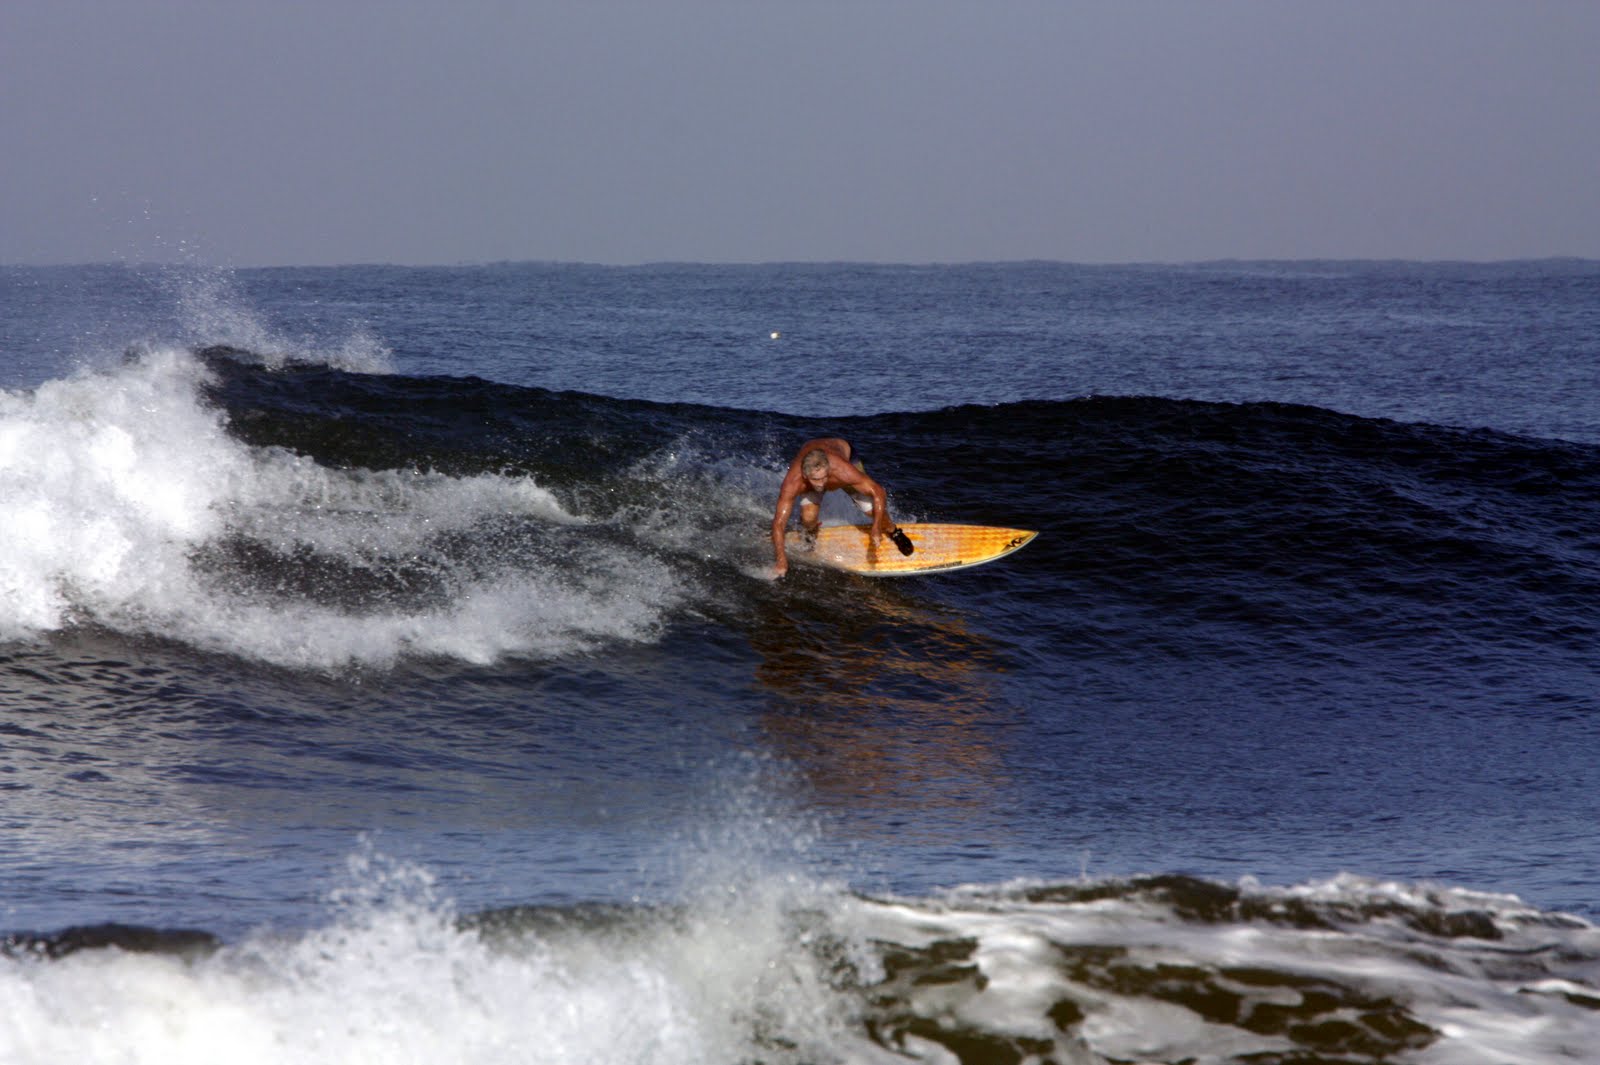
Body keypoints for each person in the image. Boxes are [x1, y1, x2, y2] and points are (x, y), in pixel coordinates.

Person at [770, 438, 913, 577]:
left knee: (873, 511)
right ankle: (810, 532)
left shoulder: (843, 471)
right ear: (805, 476)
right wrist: (781, 560)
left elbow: (878, 491)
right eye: (815, 480)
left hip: (846, 455)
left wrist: (876, 527)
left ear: (828, 470)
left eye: (823, 478)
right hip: (813, 461)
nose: (821, 484)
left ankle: (894, 532)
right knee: (808, 518)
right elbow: (778, 524)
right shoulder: (793, 482)